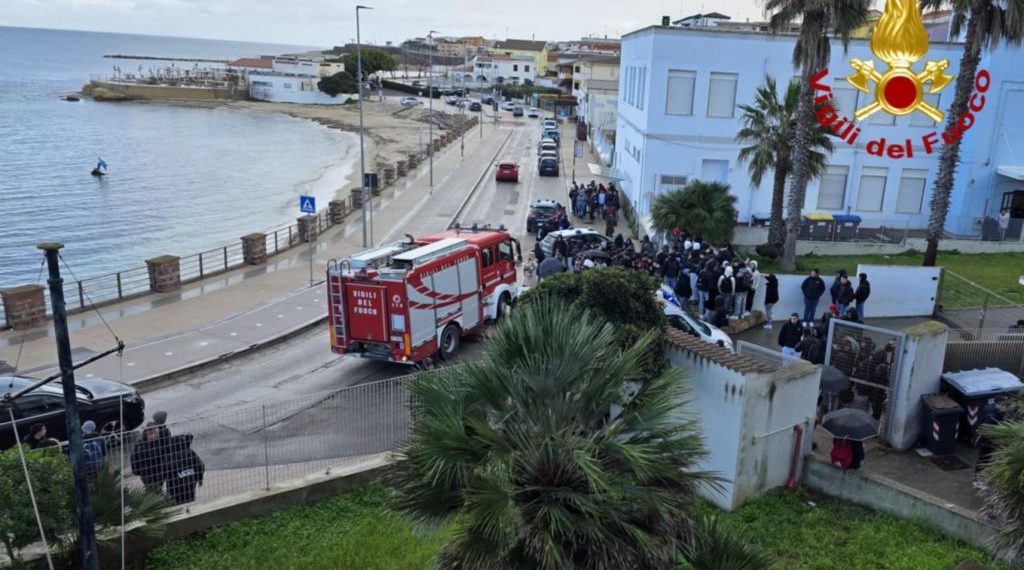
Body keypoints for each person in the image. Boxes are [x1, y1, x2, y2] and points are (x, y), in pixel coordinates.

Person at [163, 433, 205, 505]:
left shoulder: (169, 457)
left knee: (176, 504)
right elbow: (200, 466)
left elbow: (164, 472)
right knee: (190, 500)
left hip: (175, 487)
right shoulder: (191, 452)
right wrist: (200, 478)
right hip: (190, 482)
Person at [131, 425, 167, 491]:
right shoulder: (141, 447)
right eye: (151, 433)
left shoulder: (158, 443)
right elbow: (134, 459)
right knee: (153, 489)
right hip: (148, 474)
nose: (154, 434)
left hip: (157, 473)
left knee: (156, 489)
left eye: (155, 432)